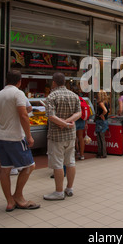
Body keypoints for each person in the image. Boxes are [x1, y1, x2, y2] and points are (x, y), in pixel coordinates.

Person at [0, 70, 40, 212]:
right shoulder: (18, 93)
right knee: (30, 166)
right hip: (15, 137)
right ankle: (18, 196)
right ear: (19, 81)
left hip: (1, 137)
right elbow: (23, 115)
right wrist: (29, 136)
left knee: (5, 169)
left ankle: (10, 202)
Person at [43, 73, 81, 201]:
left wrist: (62, 124)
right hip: (71, 134)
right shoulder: (74, 95)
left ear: (54, 82)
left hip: (56, 136)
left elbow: (51, 116)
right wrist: (68, 122)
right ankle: (69, 188)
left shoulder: (51, 96)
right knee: (70, 161)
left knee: (58, 163)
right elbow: (79, 113)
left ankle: (59, 192)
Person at [72, 86, 87, 160]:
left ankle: (75, 152)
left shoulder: (72, 100)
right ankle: (82, 155)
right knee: (80, 137)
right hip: (82, 119)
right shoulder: (82, 99)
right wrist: (86, 122)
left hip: (74, 120)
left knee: (73, 138)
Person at [95, 90, 110, 158]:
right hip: (105, 121)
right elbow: (108, 111)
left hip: (100, 121)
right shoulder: (106, 102)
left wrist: (101, 115)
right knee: (102, 137)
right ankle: (103, 153)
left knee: (100, 138)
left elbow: (105, 110)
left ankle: (101, 153)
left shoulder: (101, 103)